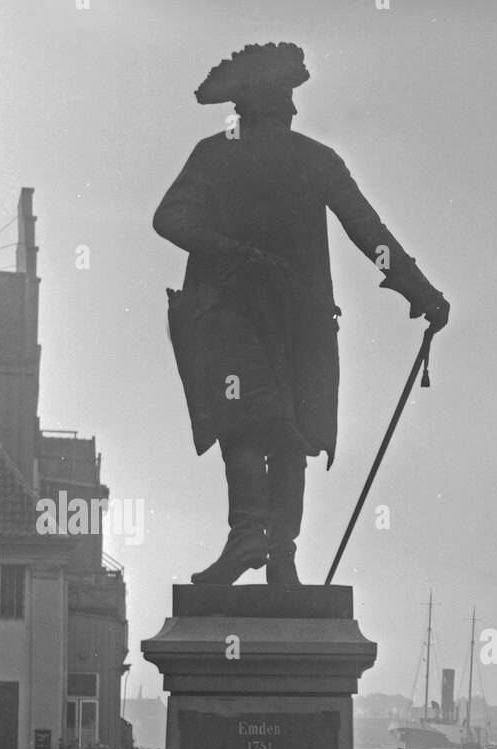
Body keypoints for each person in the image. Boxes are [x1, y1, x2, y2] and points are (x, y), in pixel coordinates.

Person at [154, 42, 450, 585]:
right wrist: (420, 291)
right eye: (286, 96)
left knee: (263, 422)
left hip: (259, 317)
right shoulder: (285, 158)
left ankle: (268, 547)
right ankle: (264, 545)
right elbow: (370, 235)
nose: (294, 108)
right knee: (274, 424)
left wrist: (420, 290)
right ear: (262, 102)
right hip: (261, 316)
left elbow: (367, 232)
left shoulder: (226, 154)